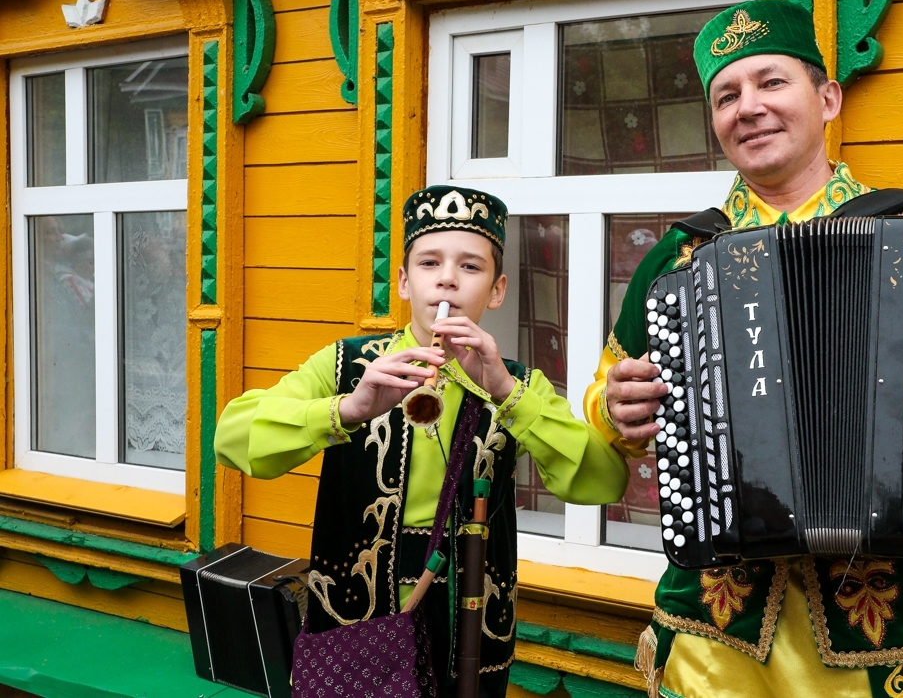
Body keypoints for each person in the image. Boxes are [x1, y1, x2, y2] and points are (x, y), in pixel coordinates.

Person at [584, 0, 903, 698]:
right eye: (726, 95)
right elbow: (606, 408)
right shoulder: (677, 256)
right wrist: (618, 407)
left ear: (827, 98)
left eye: (771, 82)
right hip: (712, 641)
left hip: (876, 646)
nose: (748, 106)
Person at [215, 185, 631, 697]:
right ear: (404, 281)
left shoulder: (517, 384)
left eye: (471, 267)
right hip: (358, 621)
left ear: (497, 290)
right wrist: (349, 409)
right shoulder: (348, 364)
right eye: (430, 262)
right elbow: (232, 439)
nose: (448, 280)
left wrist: (505, 391)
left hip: (469, 623)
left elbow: (602, 480)